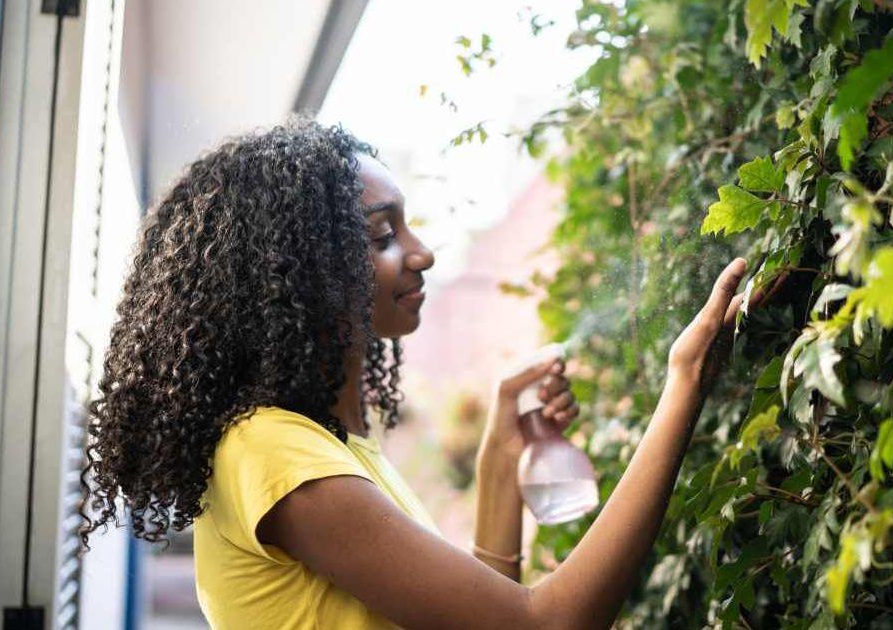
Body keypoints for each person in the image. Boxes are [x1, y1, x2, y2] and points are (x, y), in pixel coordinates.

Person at [79, 117, 753, 629]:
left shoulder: (331, 451)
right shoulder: (273, 454)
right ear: (301, 272)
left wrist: (499, 457)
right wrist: (685, 384)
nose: (422, 253)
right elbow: (542, 625)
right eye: (382, 236)